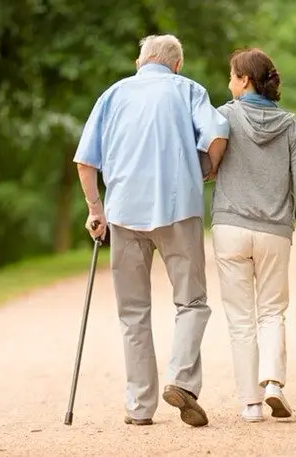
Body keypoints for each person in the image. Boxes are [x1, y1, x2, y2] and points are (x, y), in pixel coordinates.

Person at [73, 34, 229, 427]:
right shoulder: (189, 90)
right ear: (176, 64)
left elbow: (85, 162)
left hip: (124, 212)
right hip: (179, 209)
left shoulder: (112, 94)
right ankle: (180, 379)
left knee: (133, 313)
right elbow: (218, 134)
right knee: (192, 303)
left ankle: (140, 407)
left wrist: (96, 209)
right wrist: (206, 170)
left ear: (140, 61)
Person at [210, 48, 296, 423]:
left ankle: (250, 404)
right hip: (274, 233)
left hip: (231, 227)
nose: (229, 83)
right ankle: (274, 385)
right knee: (270, 313)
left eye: (232, 76)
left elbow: (205, 162)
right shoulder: (289, 124)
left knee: (240, 319)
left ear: (245, 80)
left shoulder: (224, 116)